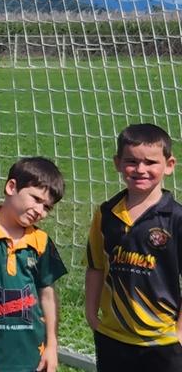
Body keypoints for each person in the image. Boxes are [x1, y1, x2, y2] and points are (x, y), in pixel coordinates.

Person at [86, 123, 182, 371]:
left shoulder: (177, 219)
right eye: (131, 161)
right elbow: (95, 266)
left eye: (150, 162)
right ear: (118, 163)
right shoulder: (106, 214)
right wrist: (91, 314)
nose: (140, 169)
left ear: (169, 165)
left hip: (163, 340)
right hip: (112, 336)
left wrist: (179, 331)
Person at [0, 157, 67, 372]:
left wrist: (52, 347)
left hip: (31, 356)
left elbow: (48, 294)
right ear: (11, 187)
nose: (39, 211)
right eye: (35, 199)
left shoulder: (42, 242)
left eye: (47, 207)